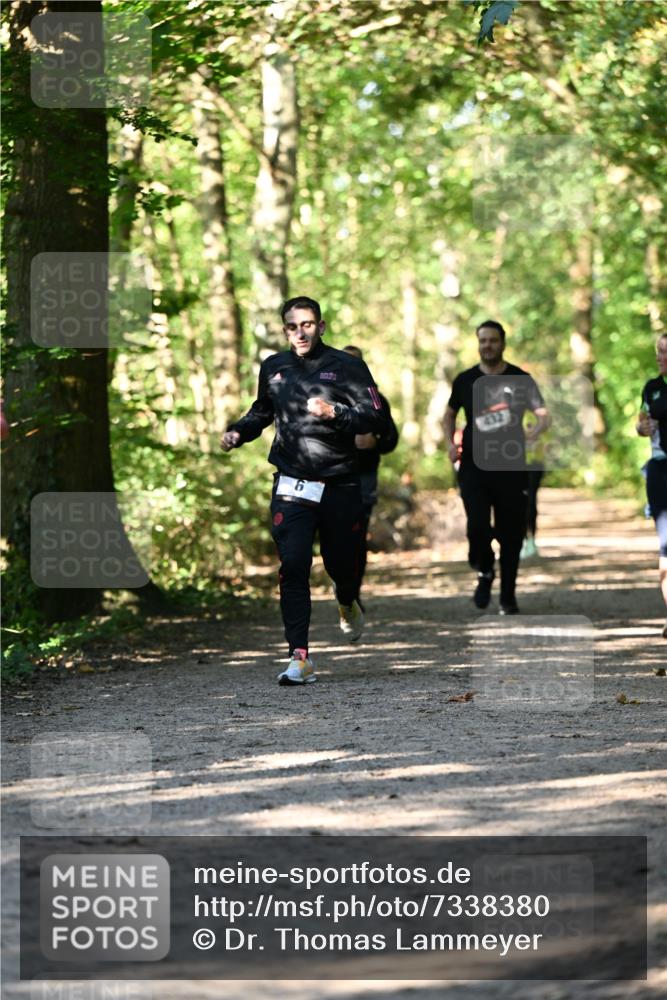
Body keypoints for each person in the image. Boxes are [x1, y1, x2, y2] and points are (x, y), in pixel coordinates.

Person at [221, 296, 387, 685]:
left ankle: (346, 600)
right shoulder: (274, 368)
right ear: (285, 330)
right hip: (292, 482)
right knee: (293, 563)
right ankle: (299, 656)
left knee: (341, 566)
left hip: (340, 483)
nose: (300, 333)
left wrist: (337, 413)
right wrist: (238, 432)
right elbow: (262, 412)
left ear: (321, 326)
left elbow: (377, 415)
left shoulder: (348, 367)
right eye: (293, 326)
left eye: (308, 325)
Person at [443, 320, 550, 614]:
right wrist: (450, 443)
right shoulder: (465, 380)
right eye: (483, 341)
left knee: (511, 533)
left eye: (492, 340)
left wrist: (535, 429)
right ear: (478, 344)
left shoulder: (521, 378)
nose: (487, 345)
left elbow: (543, 414)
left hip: (511, 466)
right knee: (477, 526)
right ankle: (485, 569)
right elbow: (449, 415)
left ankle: (507, 596)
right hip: (473, 467)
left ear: (503, 343)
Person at [342, 345, 399, 607]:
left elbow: (391, 438)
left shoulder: (377, 400)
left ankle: (352, 593)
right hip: (331, 477)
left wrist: (375, 441)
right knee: (335, 538)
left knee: (356, 537)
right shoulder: (326, 397)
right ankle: (342, 585)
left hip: (364, 478)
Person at [636, 333, 667, 639]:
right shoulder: (652, 387)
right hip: (661, 470)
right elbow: (641, 421)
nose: (660, 358)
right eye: (658, 352)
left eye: (665, 353)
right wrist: (640, 427)